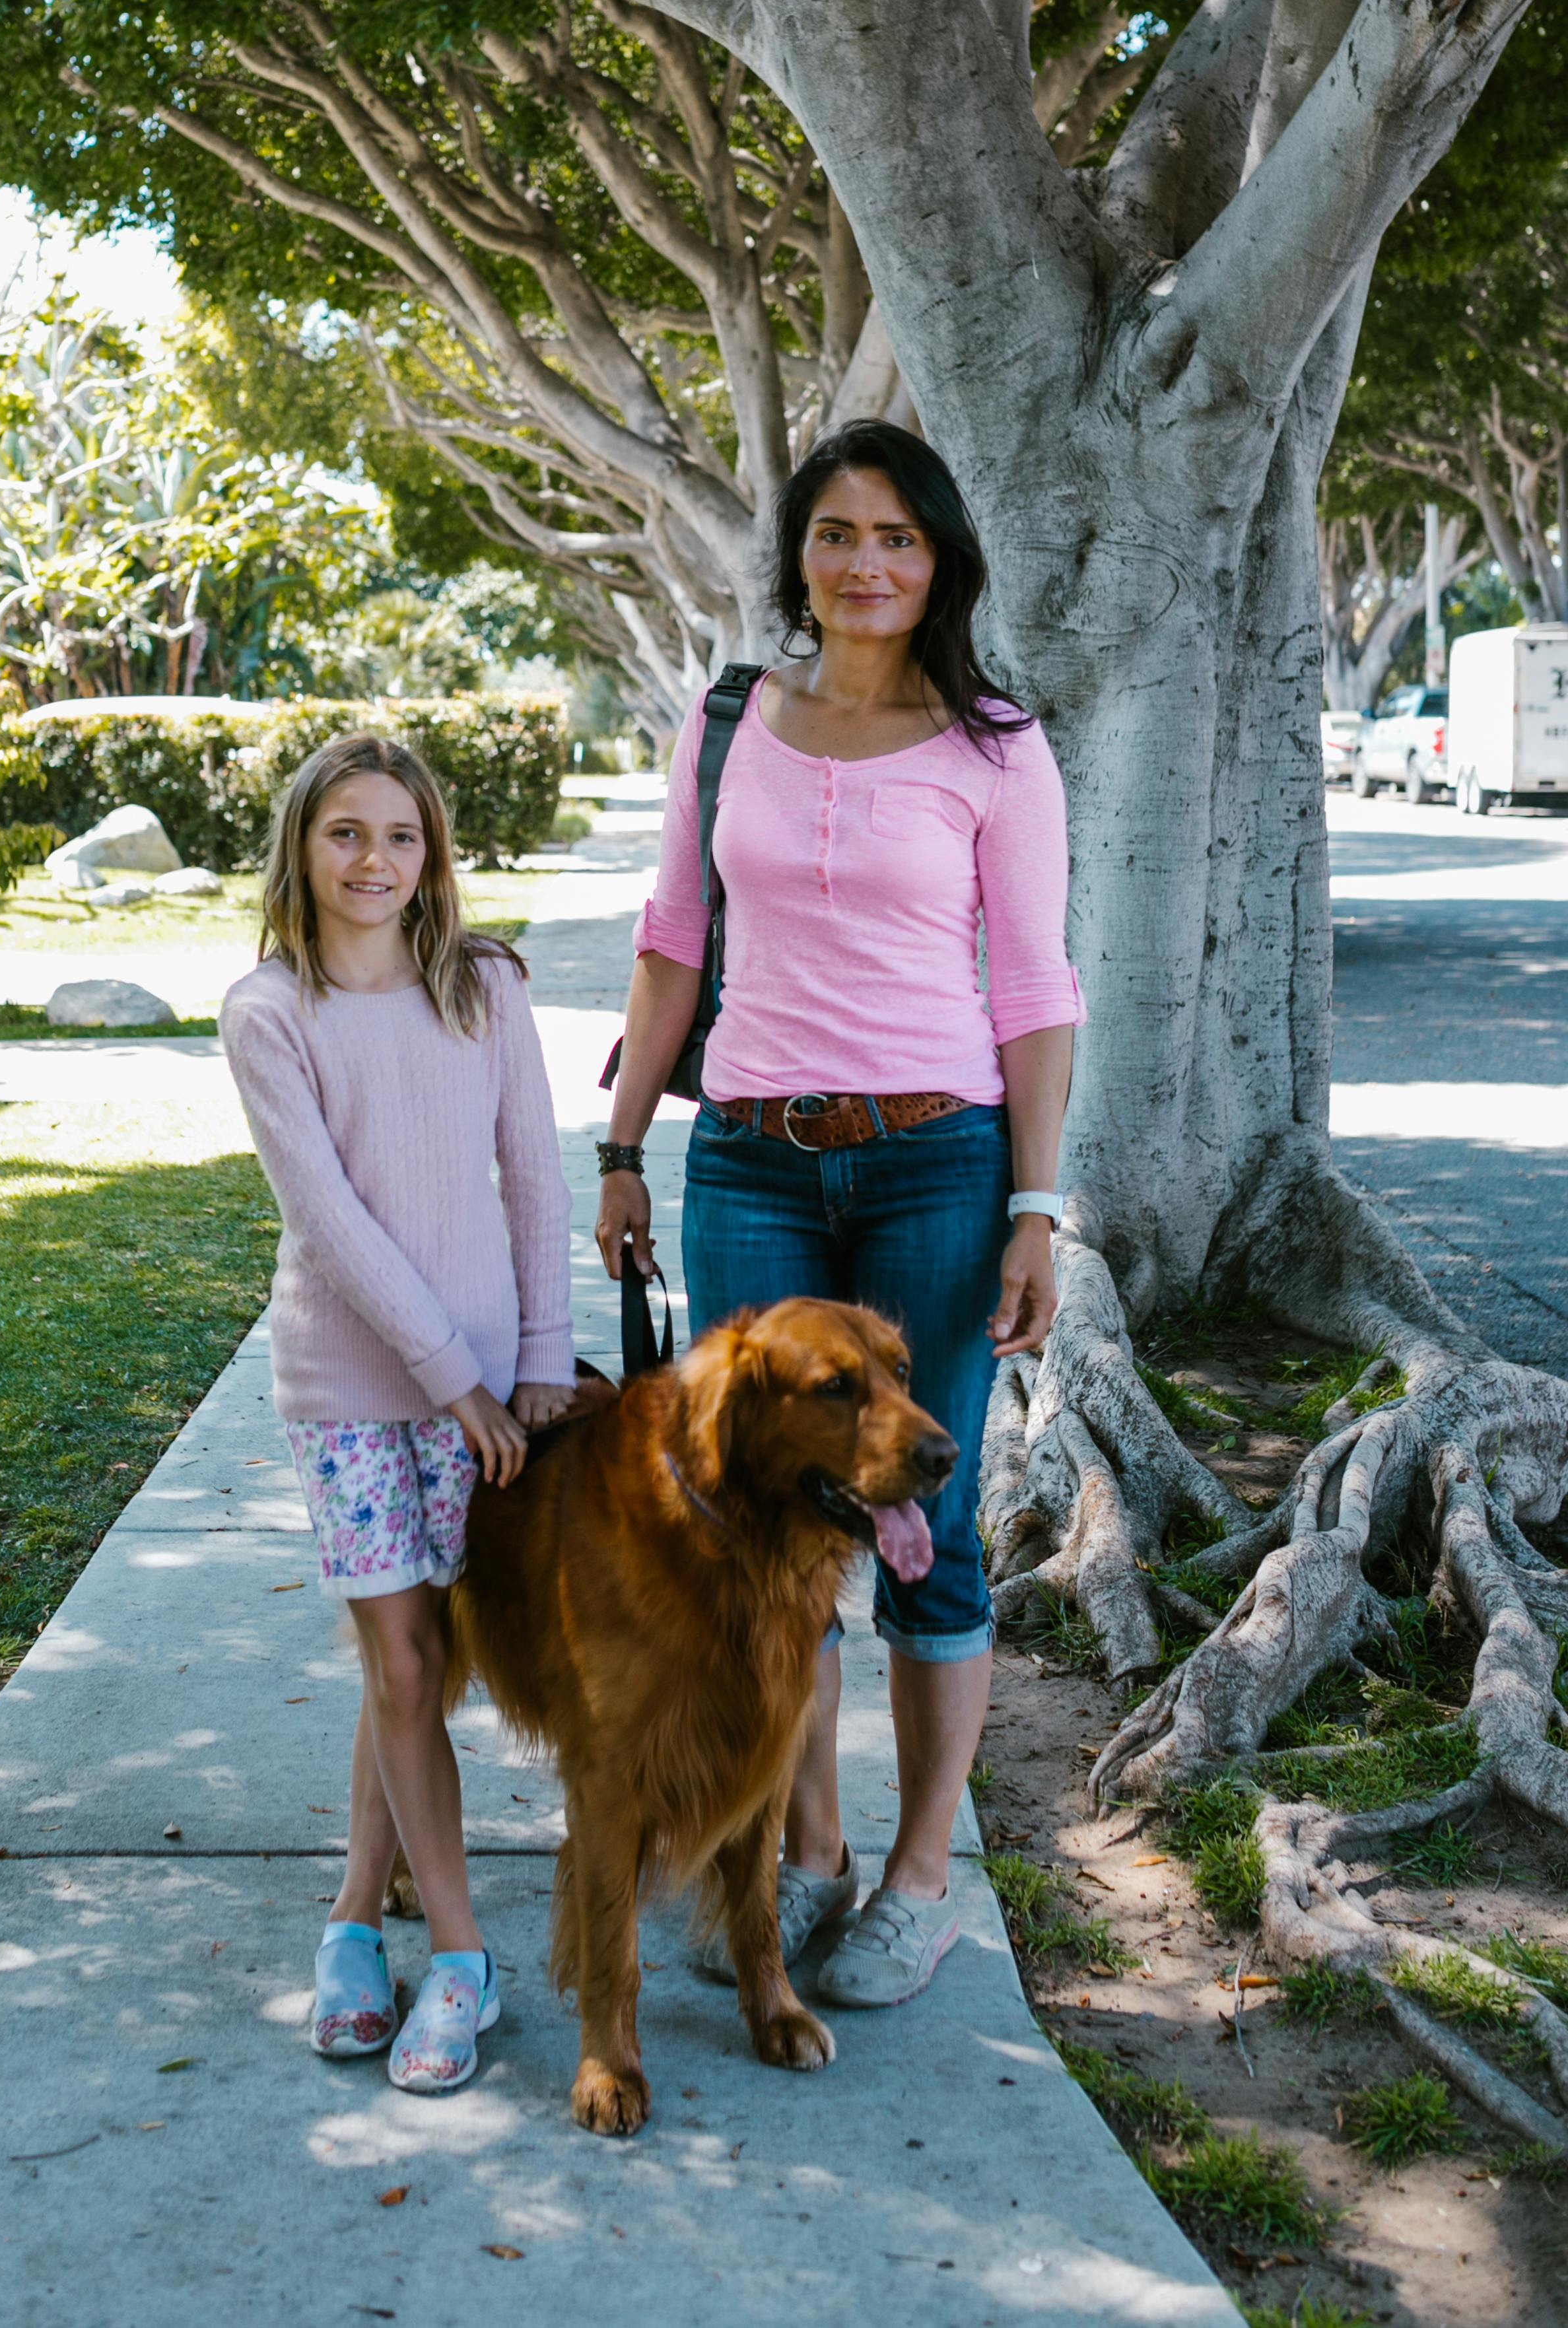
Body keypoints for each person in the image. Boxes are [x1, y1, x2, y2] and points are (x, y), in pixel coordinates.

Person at [596, 419, 1081, 2008]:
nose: (864, 563)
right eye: (836, 534)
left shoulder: (995, 746)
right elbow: (675, 937)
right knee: (752, 1526)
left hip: (935, 1161)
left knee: (919, 1531)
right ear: (798, 554)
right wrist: (616, 1152)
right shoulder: (729, 716)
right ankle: (794, 1852)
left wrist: (1032, 1204)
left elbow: (1031, 988)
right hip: (746, 1155)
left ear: (938, 559)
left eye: (895, 537)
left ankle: (917, 1878)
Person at [220, 732, 575, 2096]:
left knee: (419, 1669)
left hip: (493, 1385)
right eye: (345, 835)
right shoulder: (269, 1011)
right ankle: (465, 1956)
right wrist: (457, 1386)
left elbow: (533, 1181)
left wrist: (537, 1354)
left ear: (434, 856)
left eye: (402, 837)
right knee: (413, 1670)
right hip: (361, 1393)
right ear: (300, 850)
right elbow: (334, 1226)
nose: (375, 862)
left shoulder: (482, 986)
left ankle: (349, 1924)